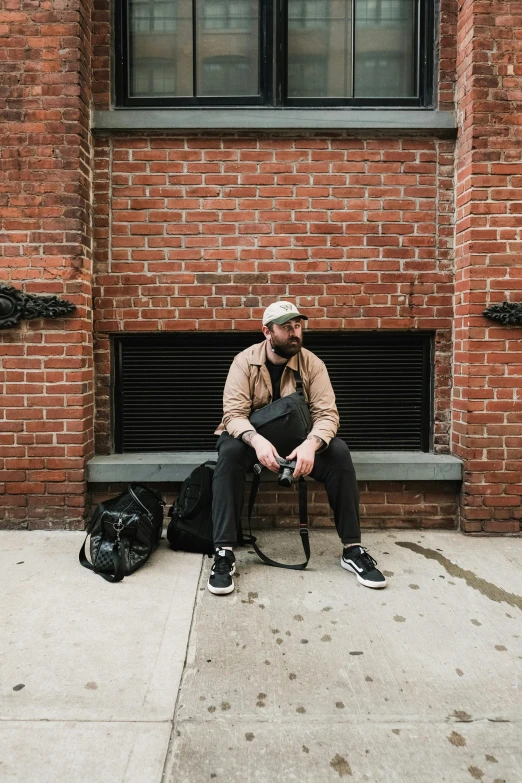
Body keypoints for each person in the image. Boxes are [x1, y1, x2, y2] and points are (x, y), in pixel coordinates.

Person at [208, 301, 387, 595]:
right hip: (253, 440)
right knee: (228, 453)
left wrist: (311, 444)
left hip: (298, 443)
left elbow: (328, 415)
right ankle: (224, 552)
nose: (295, 333)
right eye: (286, 327)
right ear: (267, 331)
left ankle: (352, 549)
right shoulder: (244, 361)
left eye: (298, 326)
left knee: (339, 452)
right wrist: (256, 440)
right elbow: (233, 415)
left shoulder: (312, 363)